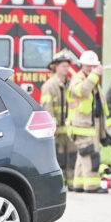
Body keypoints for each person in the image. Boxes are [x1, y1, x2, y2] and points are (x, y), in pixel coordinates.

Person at [67, 50, 111, 193]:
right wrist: (95, 74)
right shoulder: (78, 79)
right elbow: (82, 91)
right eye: (88, 66)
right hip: (82, 125)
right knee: (91, 154)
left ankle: (79, 184)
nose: (91, 69)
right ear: (82, 65)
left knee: (83, 154)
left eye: (93, 66)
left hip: (92, 125)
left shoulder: (92, 80)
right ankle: (92, 186)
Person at [40, 51, 76, 189]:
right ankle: (60, 186)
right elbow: (47, 107)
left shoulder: (72, 84)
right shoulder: (49, 86)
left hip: (71, 129)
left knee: (72, 157)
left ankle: (72, 184)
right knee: (59, 159)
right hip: (57, 131)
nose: (67, 68)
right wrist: (52, 126)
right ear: (56, 67)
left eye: (68, 66)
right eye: (63, 66)